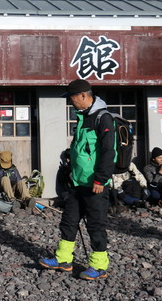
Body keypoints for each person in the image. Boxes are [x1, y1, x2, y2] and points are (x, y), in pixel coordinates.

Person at [39, 79, 116, 281]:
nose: (70, 102)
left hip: (95, 185)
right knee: (69, 221)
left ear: (83, 95)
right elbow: (82, 148)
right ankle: (63, 259)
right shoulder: (83, 118)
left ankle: (99, 266)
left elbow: (109, 152)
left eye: (72, 97)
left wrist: (101, 179)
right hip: (77, 183)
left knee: (95, 225)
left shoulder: (103, 118)